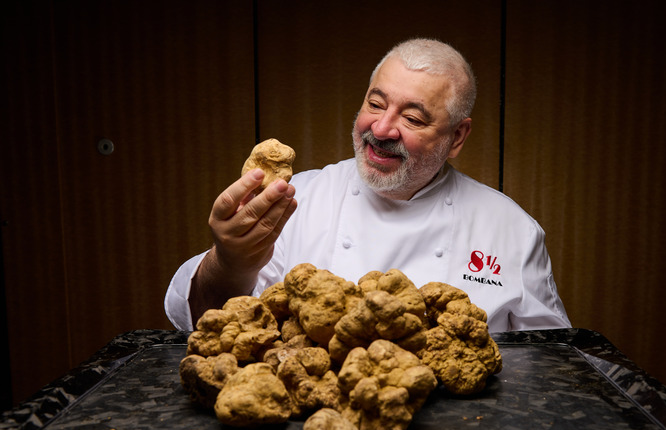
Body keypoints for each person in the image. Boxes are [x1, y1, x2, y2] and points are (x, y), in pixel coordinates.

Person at [165, 38, 571, 333]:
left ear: (457, 137)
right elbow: (204, 324)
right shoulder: (297, 201)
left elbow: (553, 366)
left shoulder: (512, 230)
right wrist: (229, 263)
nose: (381, 128)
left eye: (412, 118)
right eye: (375, 104)